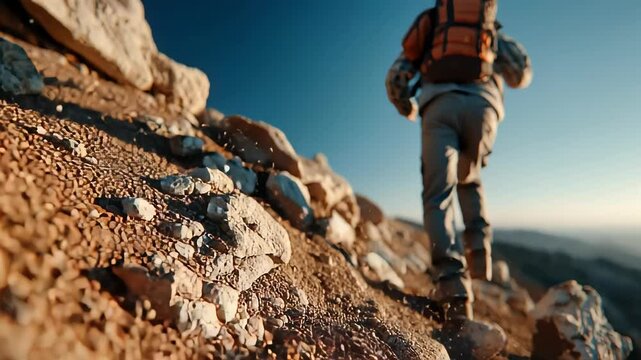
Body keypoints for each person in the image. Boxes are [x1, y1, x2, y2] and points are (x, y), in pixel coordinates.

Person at [386, 1, 532, 323]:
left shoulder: (432, 24)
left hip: (438, 106)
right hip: (483, 110)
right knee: (471, 175)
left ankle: (453, 287)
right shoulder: (488, 28)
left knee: (437, 194)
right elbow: (521, 74)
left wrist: (408, 108)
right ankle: (480, 256)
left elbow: (396, 78)